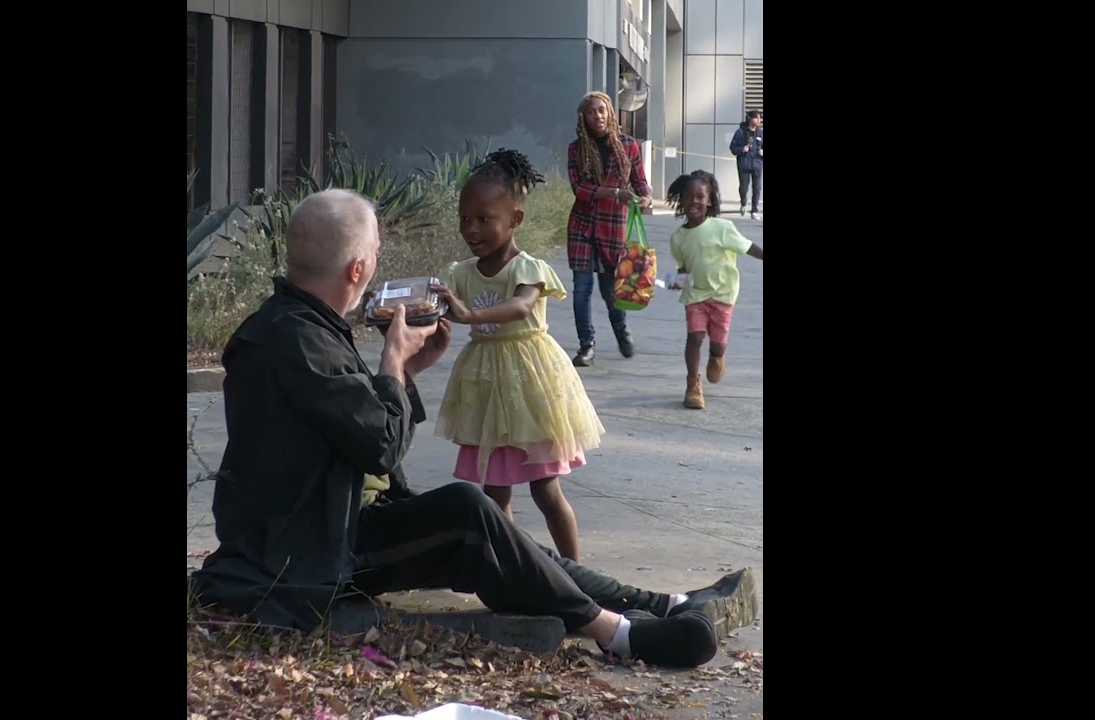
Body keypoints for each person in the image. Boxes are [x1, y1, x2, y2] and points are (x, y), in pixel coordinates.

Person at [191, 188, 758, 668]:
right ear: (358, 270)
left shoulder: (294, 325)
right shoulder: (298, 340)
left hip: (328, 525)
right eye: (375, 258)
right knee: (469, 512)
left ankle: (663, 603)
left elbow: (347, 421)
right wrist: (391, 363)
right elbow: (379, 446)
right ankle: (619, 634)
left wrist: (409, 369)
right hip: (312, 549)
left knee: (494, 530)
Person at [429, 149, 604, 563]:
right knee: (494, 491)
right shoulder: (460, 273)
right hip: (487, 390)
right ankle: (512, 572)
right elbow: (430, 303)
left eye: (484, 218)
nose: (471, 228)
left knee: (546, 488)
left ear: (515, 220)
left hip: (531, 386)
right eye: (464, 218)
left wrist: (470, 314)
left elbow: (521, 307)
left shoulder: (528, 268)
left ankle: (576, 574)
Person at [566, 91, 654, 367]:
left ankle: (620, 328)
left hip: (613, 226)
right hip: (582, 224)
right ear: (584, 117)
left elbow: (640, 181)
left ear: (610, 114)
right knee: (582, 288)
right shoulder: (575, 149)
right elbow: (579, 189)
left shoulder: (628, 146)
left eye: (602, 110)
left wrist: (646, 196)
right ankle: (586, 345)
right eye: (592, 111)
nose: (598, 116)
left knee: (610, 291)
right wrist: (614, 193)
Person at [666, 170, 764, 410]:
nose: (694, 201)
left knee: (717, 344)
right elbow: (684, 269)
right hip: (696, 296)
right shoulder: (678, 238)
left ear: (709, 200)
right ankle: (692, 384)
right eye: (689, 196)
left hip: (722, 295)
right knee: (695, 338)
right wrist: (675, 282)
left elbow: (747, 247)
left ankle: (717, 356)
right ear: (681, 199)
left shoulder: (721, 228)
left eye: (700, 196)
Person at [729, 111, 763, 219]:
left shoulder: (761, 133)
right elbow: (733, 148)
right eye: (757, 118)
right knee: (744, 187)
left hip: (757, 164)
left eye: (760, 118)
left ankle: (754, 211)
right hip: (744, 164)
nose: (759, 120)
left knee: (757, 188)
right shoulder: (740, 132)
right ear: (750, 119)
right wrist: (741, 149)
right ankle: (743, 203)